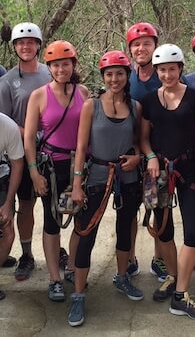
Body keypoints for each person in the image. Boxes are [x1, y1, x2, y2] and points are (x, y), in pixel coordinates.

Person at [69, 51, 143, 327]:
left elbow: (139, 141)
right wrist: (77, 183)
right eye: (109, 74)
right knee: (87, 232)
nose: (115, 79)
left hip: (127, 176)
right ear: (103, 77)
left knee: (125, 228)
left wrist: (137, 158)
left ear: (127, 76)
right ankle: (78, 293)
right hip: (98, 175)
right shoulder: (91, 106)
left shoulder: (135, 107)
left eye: (120, 73)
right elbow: (80, 146)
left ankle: (122, 277)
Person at [140, 44, 195, 321]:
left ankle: (180, 295)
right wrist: (150, 157)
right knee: (164, 231)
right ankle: (173, 276)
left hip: (189, 168)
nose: (167, 74)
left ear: (181, 69)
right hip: (159, 171)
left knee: (193, 233)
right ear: (156, 71)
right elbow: (143, 137)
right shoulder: (148, 100)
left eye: (172, 69)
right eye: (162, 70)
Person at [24, 41, 88, 302]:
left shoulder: (83, 92)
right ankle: (54, 278)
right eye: (55, 65)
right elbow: (29, 137)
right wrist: (33, 173)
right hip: (50, 166)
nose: (61, 69)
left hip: (79, 165)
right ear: (48, 68)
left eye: (65, 64)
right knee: (52, 223)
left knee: (81, 221)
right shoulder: (39, 95)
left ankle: (72, 266)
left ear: (73, 65)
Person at [0, 22, 51, 281]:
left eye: (31, 42)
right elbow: (5, 122)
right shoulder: (8, 81)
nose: (25, 46)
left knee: (53, 206)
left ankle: (55, 249)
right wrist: (31, 134)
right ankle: (27, 253)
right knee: (27, 205)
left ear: (38, 45)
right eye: (20, 43)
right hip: (20, 152)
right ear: (15, 47)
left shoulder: (50, 73)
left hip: (53, 151)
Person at [125, 22, 166, 282]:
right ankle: (128, 258)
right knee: (129, 209)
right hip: (131, 151)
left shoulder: (164, 73)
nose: (141, 48)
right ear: (130, 50)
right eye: (136, 45)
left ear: (155, 46)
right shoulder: (123, 75)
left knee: (160, 208)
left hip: (159, 152)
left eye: (146, 43)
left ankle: (160, 259)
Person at [0, 112, 25, 300]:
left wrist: (8, 203)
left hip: (1, 179)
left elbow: (17, 164)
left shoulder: (8, 126)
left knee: (8, 231)